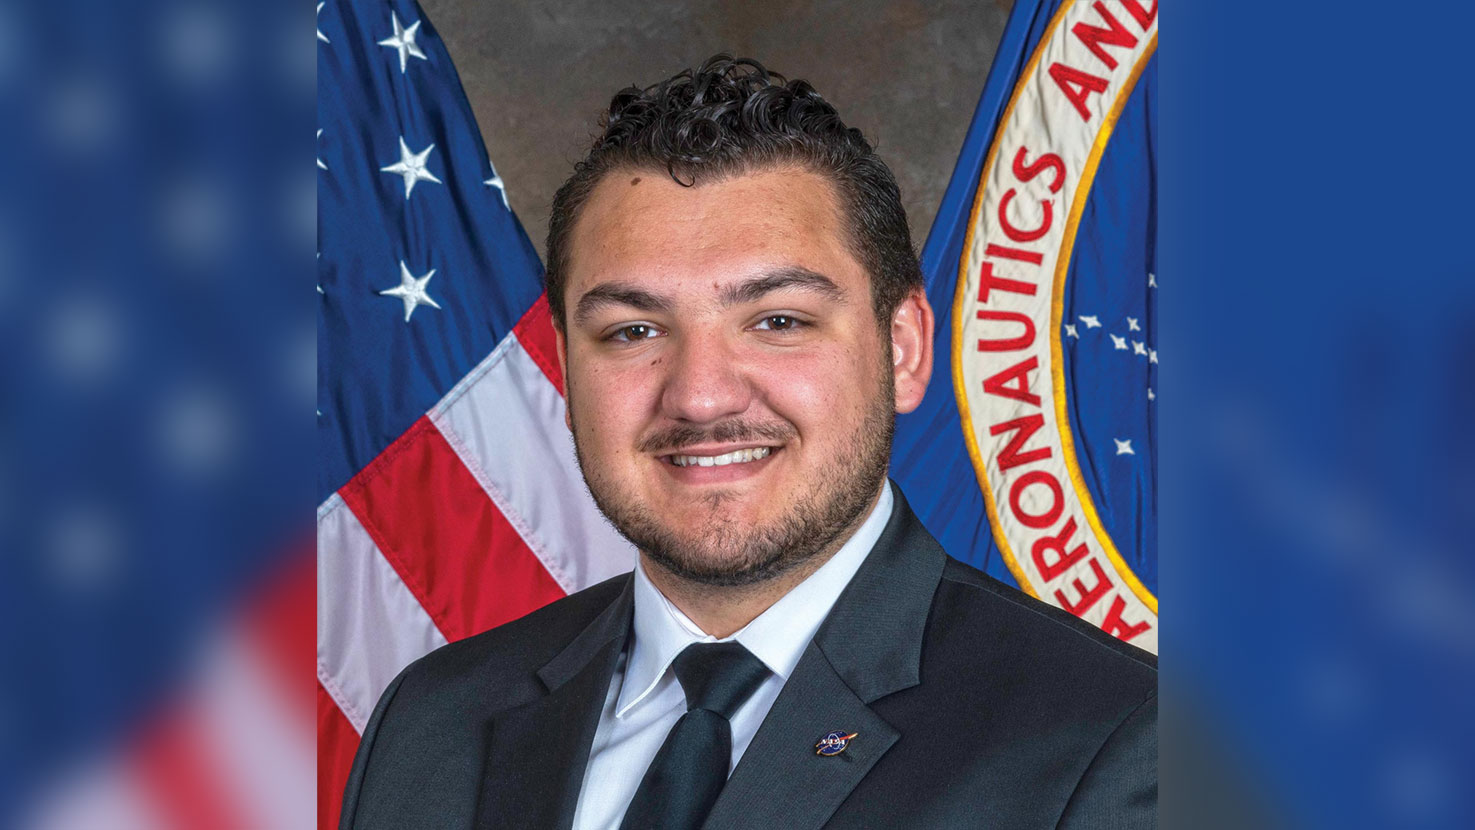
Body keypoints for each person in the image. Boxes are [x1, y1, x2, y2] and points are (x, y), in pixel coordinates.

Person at [338, 54, 1156, 829]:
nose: (699, 394)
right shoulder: (433, 724)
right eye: (632, 331)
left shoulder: (1116, 746)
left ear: (902, 348)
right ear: (563, 367)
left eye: (777, 322)